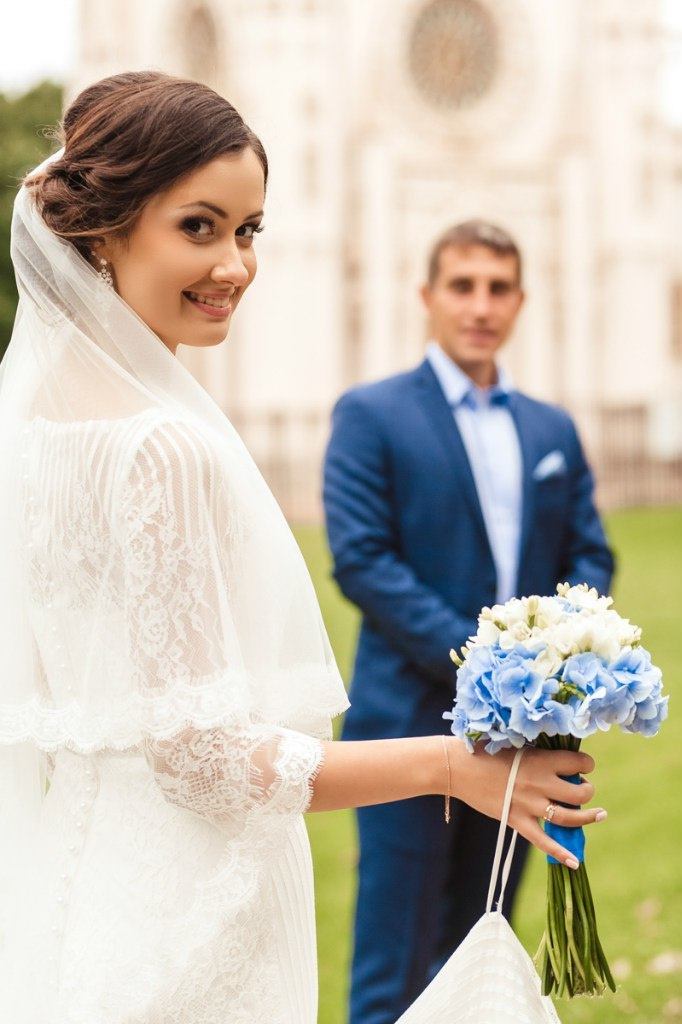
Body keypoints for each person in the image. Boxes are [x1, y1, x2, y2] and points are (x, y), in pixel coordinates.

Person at [0, 76, 605, 1024]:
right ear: (103, 230)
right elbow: (197, 760)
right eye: (198, 226)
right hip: (187, 909)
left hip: (87, 882)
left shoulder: (32, 423)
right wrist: (453, 764)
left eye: (249, 231)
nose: (235, 264)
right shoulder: (161, 445)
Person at [323, 220, 615, 1024]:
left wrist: (558, 670)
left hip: (526, 746)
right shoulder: (371, 413)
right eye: (463, 285)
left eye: (498, 288)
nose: (480, 305)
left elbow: (590, 554)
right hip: (409, 729)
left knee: (479, 952)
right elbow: (363, 560)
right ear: (427, 297)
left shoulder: (552, 429)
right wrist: (489, 673)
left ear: (519, 301)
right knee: (393, 963)